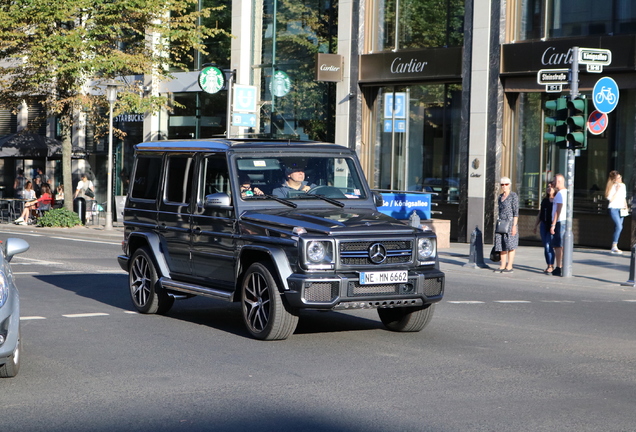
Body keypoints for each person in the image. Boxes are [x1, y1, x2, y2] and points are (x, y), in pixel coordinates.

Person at [493, 177, 519, 273]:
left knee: (510, 245)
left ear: (510, 184)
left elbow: (516, 212)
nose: (504, 186)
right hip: (501, 223)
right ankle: (502, 265)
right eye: (502, 184)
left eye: (506, 184)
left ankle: (509, 266)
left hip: (510, 222)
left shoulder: (513, 196)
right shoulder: (500, 197)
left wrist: (514, 226)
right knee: (501, 245)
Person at [534, 182, 556, 274]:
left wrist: (554, 225)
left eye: (551, 187)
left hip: (552, 225)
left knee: (548, 245)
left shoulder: (556, 200)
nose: (549, 188)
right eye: (548, 187)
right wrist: (535, 225)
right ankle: (549, 265)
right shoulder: (545, 200)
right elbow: (540, 214)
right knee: (545, 246)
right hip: (543, 224)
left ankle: (551, 265)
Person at [605, 170, 627, 254]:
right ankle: (614, 245)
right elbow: (610, 199)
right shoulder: (611, 187)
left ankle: (614, 245)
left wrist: (626, 206)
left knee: (618, 227)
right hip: (614, 208)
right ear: (614, 180)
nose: (620, 178)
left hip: (621, 208)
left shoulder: (623, 185)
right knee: (619, 226)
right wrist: (616, 191)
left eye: (620, 177)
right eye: (618, 178)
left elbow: (623, 197)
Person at [550, 174, 567, 276]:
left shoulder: (560, 194)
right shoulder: (565, 193)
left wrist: (553, 224)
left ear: (559, 182)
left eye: (554, 181)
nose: (553, 183)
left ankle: (559, 267)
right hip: (563, 221)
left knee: (558, 246)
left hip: (560, 221)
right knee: (561, 245)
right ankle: (562, 266)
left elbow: (558, 209)